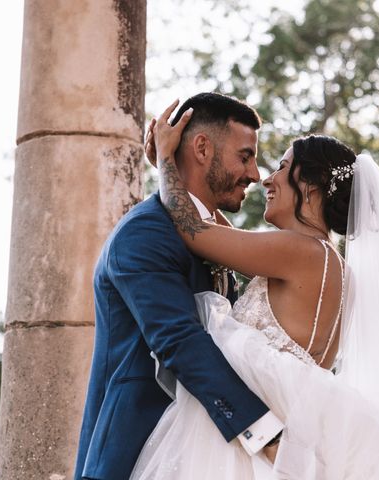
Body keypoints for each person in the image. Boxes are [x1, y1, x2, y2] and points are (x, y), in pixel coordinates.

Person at [130, 101, 379, 479]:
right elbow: (214, 227)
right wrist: (176, 174)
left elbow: (196, 232)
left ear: (310, 187)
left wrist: (168, 159)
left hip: (240, 447)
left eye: (282, 167)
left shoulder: (298, 251)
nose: (266, 179)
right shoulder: (334, 266)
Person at [73, 93, 284, 480]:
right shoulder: (145, 232)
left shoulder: (215, 237)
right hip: (135, 454)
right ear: (202, 148)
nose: (255, 174)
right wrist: (266, 432)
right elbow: (179, 340)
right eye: (245, 156)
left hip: (206, 454)